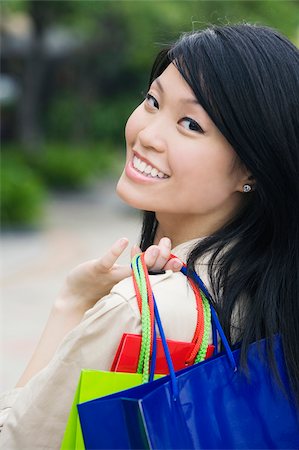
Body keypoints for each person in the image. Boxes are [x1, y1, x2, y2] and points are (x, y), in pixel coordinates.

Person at [1, 22, 298, 449]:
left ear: (252, 168)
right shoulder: (272, 291)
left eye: (191, 124)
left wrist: (71, 304)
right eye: (153, 101)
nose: (148, 135)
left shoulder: (137, 313)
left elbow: (17, 441)